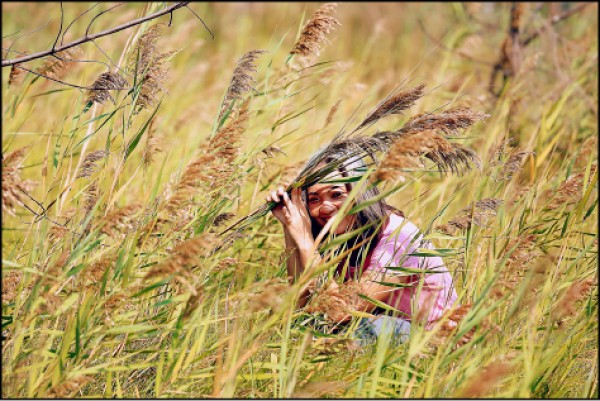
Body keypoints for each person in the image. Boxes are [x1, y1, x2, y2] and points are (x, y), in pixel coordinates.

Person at [266, 147, 457, 344]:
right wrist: (290, 227)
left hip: (430, 339)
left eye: (337, 194)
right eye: (314, 199)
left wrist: (306, 241)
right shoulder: (344, 236)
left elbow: (339, 311)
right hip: (384, 330)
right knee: (304, 324)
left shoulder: (398, 239)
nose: (325, 207)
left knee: (365, 327)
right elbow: (299, 303)